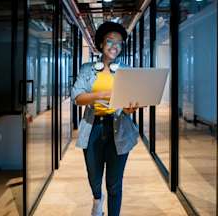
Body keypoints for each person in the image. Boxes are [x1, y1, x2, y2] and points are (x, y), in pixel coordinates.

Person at [71, 21, 139, 216]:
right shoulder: (87, 69)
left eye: (119, 43)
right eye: (110, 41)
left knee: (115, 183)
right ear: (101, 43)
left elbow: (129, 103)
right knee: (94, 176)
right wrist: (103, 94)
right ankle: (96, 199)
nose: (114, 46)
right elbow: (77, 97)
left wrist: (129, 108)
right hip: (93, 128)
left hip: (120, 129)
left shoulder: (127, 70)